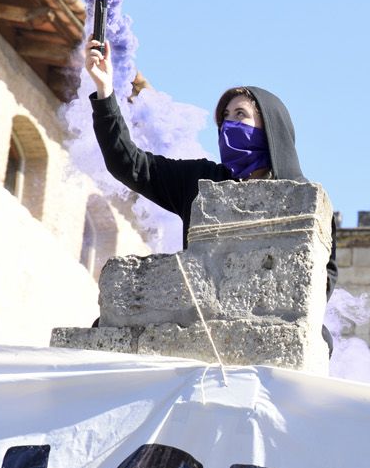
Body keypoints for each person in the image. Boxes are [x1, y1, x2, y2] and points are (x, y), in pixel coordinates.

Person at [83, 40, 337, 290]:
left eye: (240, 115)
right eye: (224, 118)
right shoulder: (202, 181)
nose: (229, 126)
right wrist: (105, 90)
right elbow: (128, 164)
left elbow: (321, 280)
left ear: (270, 127)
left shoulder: (304, 200)